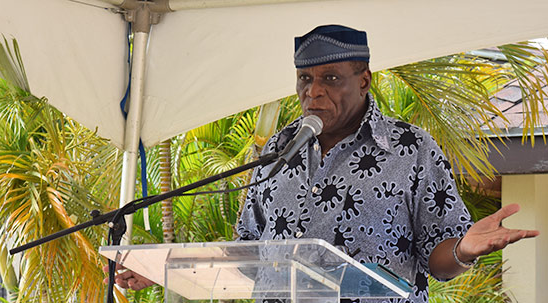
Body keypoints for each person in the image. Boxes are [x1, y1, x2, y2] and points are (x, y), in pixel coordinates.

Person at [108, 25, 539, 302]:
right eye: (305, 79)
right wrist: (162, 271)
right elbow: (247, 255)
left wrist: (463, 248)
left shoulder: (411, 149)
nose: (313, 92)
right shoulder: (278, 149)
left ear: (364, 80)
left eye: (331, 79)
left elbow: (439, 260)